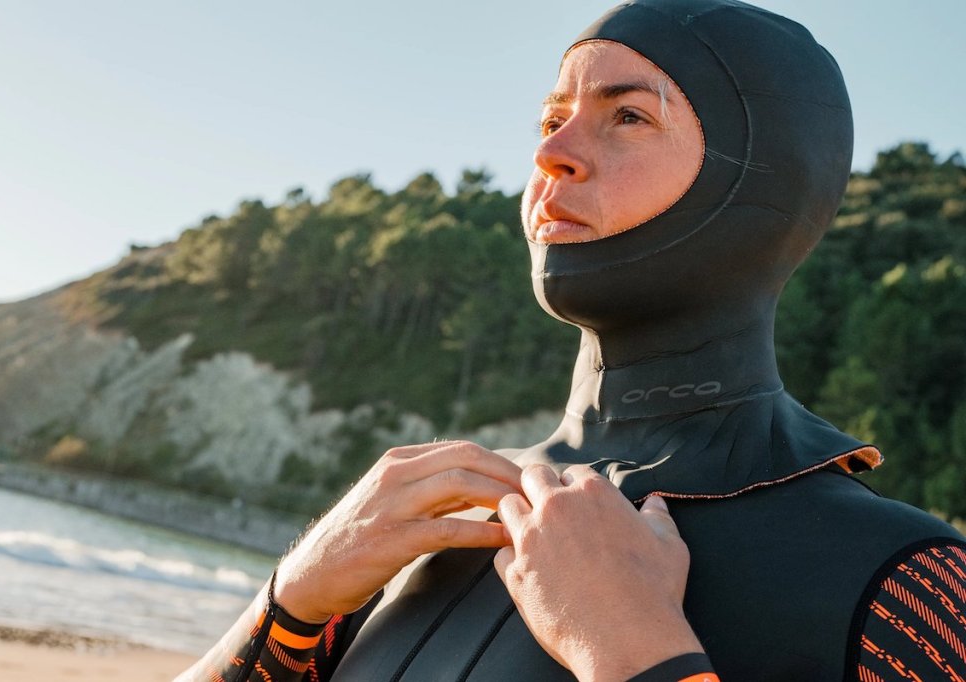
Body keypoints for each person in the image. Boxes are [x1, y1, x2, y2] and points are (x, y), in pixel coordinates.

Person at [178, 1, 966, 680]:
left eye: (627, 116)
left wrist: (632, 652)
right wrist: (289, 604)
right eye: (553, 120)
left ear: (766, 177)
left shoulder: (909, 585)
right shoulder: (431, 520)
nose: (550, 153)